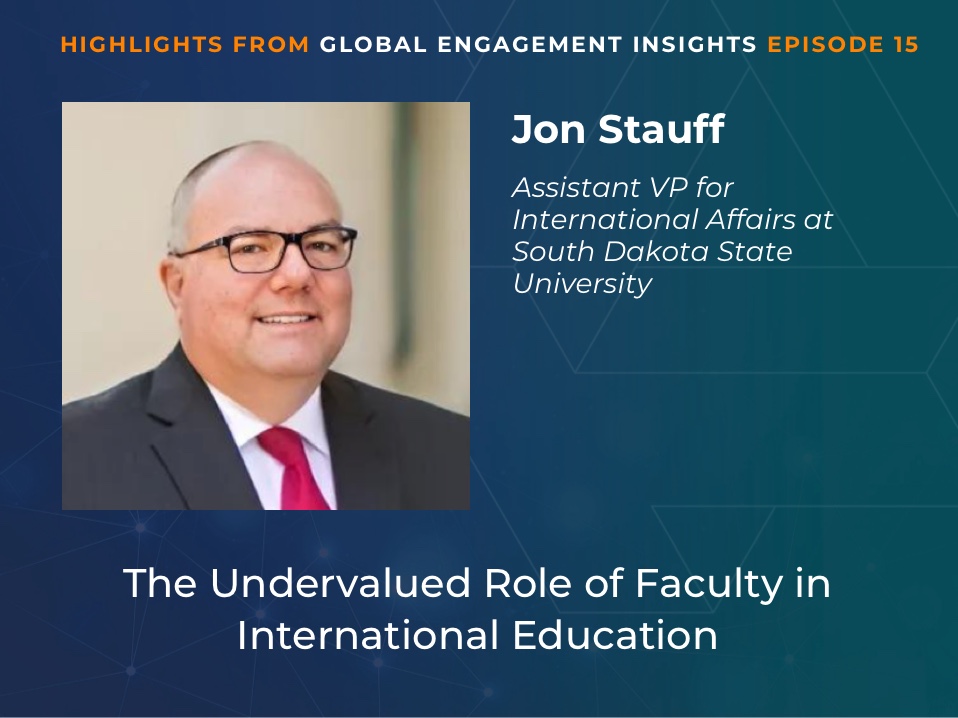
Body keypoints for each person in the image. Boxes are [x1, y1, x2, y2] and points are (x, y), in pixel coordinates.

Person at [62, 141, 469, 510]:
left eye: (321, 244)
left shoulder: (453, 453)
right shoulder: (70, 461)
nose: (297, 274)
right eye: (251, 247)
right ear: (177, 284)